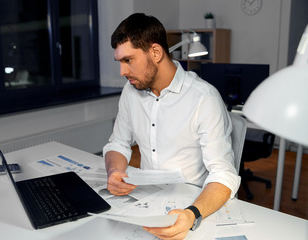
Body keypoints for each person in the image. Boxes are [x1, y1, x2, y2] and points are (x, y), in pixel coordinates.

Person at [103, 13, 240, 240]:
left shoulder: (203, 97)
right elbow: (118, 143)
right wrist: (115, 171)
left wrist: (193, 214)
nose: (122, 72)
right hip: (147, 200)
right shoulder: (131, 92)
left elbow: (223, 173)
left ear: (155, 53)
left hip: (195, 203)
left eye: (128, 60)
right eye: (120, 62)